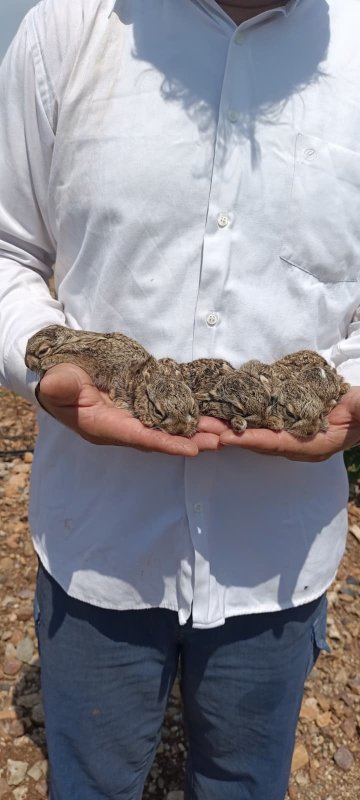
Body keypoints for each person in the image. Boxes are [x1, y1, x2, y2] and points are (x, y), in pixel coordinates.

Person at [0, 1, 359, 798]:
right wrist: (41, 356)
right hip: (99, 547)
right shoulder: (65, 27)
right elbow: (7, 249)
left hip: (277, 563)